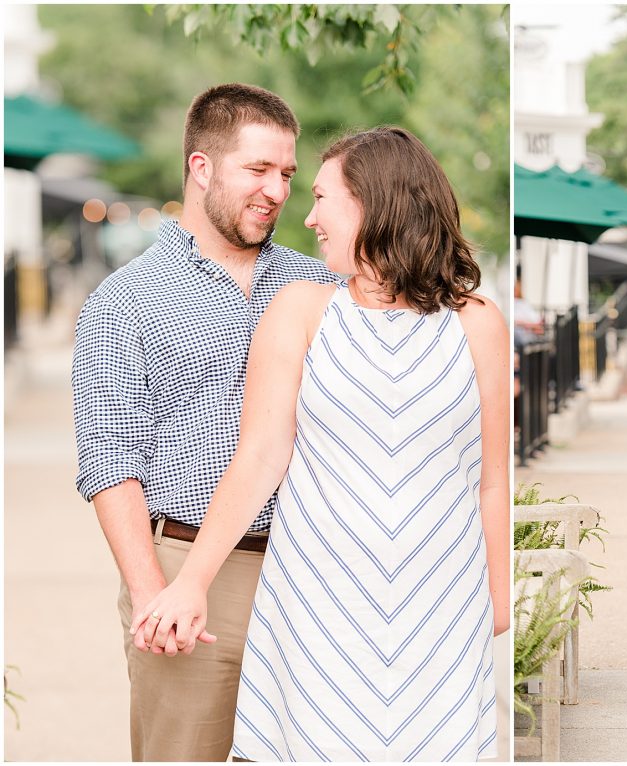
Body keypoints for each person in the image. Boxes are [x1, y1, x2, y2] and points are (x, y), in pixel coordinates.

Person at [132, 126, 510, 761]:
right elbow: (258, 457)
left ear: (372, 202)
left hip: (441, 601)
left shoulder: (478, 322)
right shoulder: (300, 309)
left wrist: (497, 599)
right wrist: (191, 582)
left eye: (321, 197)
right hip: (317, 604)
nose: (306, 218)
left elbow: (493, 478)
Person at [71, 83, 338, 761]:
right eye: (258, 170)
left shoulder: (322, 286)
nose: (278, 192)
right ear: (201, 167)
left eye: (286, 174)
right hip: (188, 572)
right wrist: (151, 593)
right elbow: (110, 461)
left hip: (315, 574)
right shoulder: (123, 301)